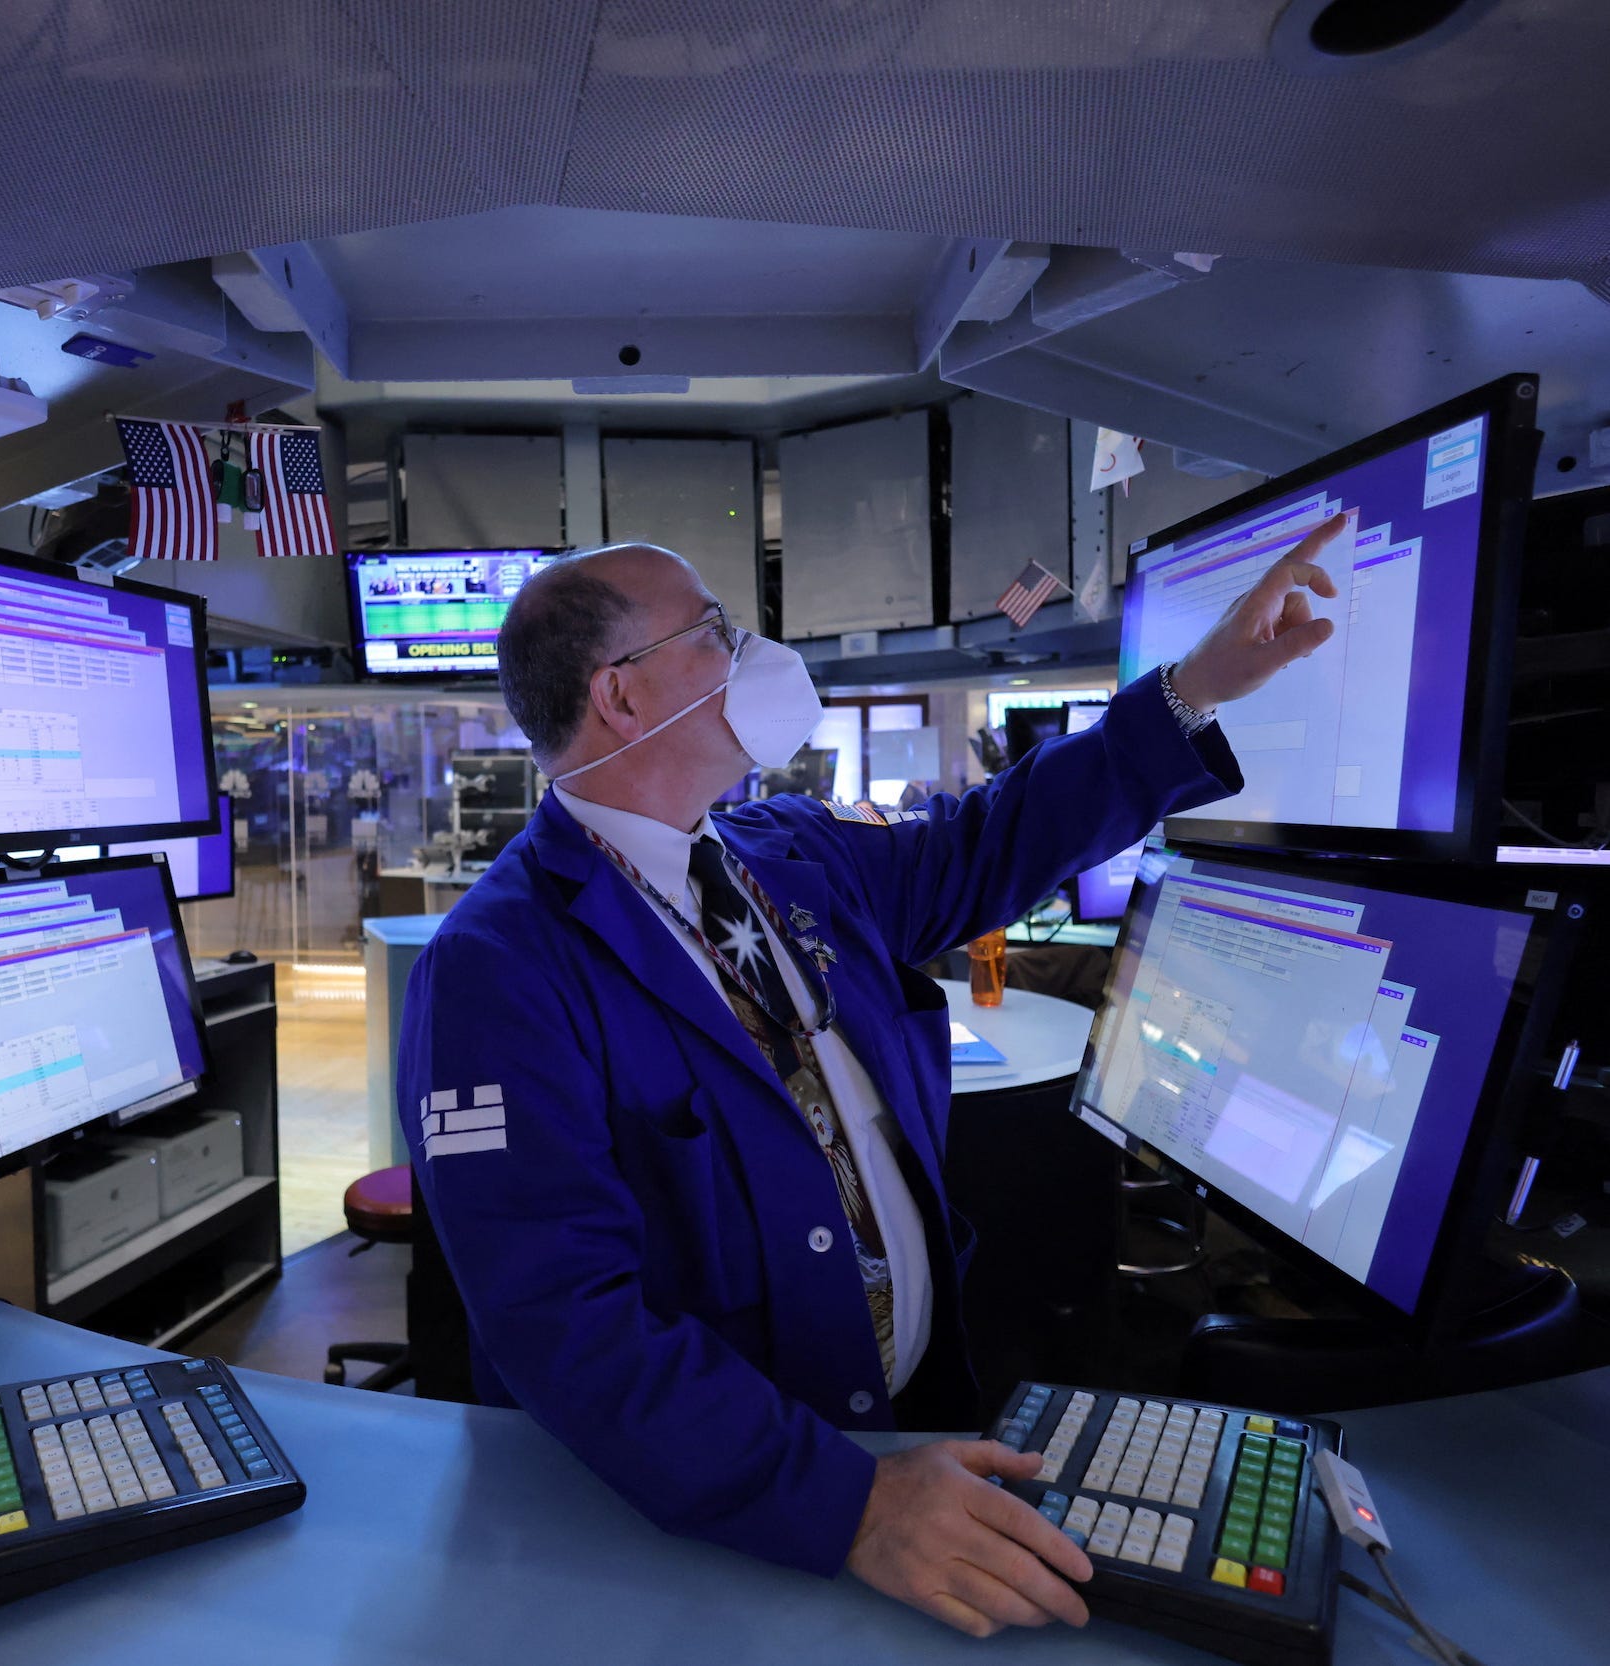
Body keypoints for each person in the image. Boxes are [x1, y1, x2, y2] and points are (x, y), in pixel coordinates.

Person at [395, 520, 1348, 1638]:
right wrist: (843, 1505)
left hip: (910, 1431)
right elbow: (566, 1328)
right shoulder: (495, 968)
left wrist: (1189, 690)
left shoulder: (788, 848)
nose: (750, 649)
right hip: (741, 1507)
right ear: (619, 695)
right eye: (713, 630)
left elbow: (992, 839)